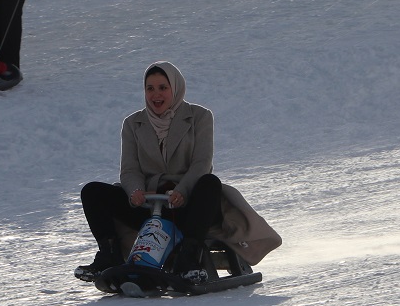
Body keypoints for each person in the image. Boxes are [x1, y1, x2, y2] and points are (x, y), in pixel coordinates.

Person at [76, 62, 282, 281]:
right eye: (150, 88)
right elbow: (129, 169)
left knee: (210, 182)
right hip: (151, 206)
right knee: (93, 192)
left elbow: (201, 163)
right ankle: (109, 255)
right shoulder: (133, 124)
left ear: (175, 89)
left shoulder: (199, 117)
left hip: (190, 206)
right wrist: (135, 191)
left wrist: (182, 191)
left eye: (163, 88)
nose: (156, 95)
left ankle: (189, 258)